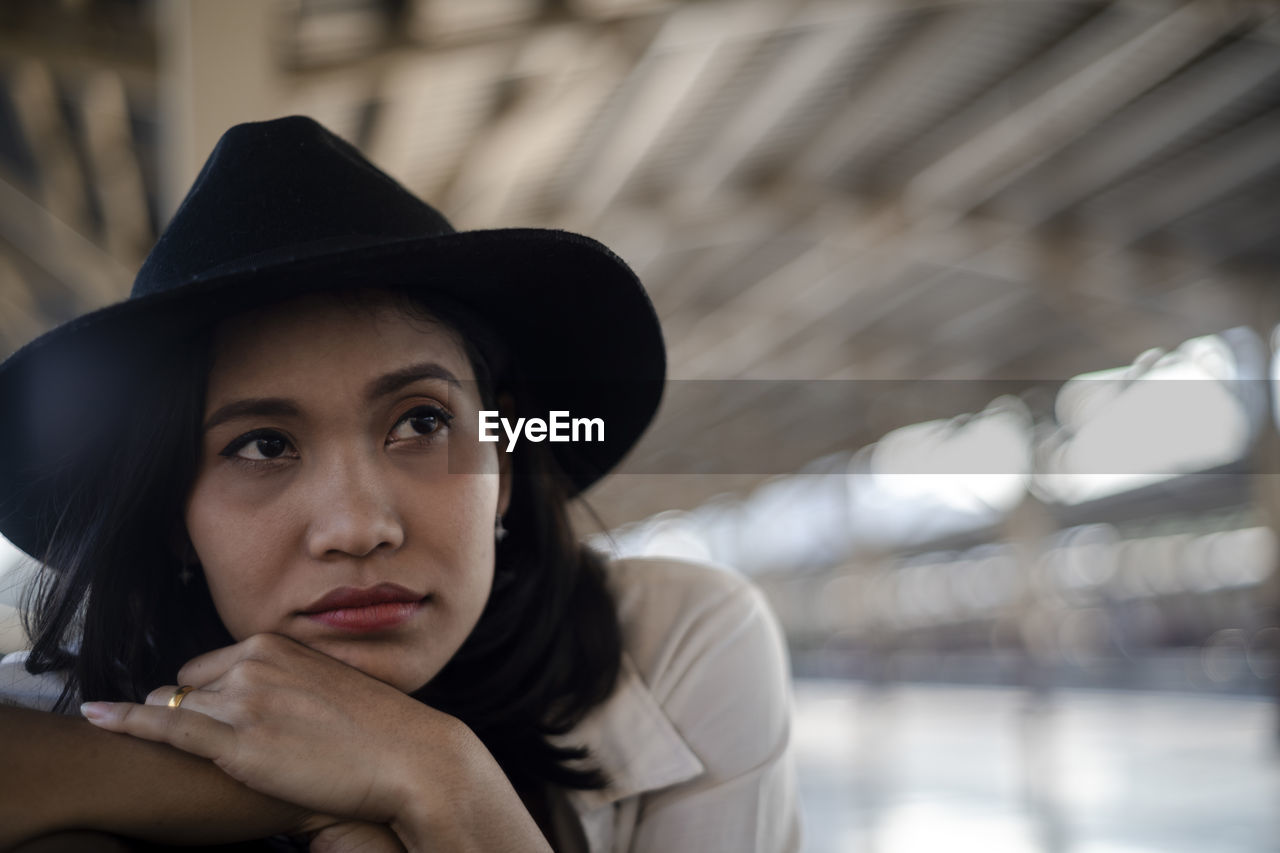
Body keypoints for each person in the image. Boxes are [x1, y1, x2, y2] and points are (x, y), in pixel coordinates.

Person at [0, 116, 800, 852]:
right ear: (175, 516)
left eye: (421, 423)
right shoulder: (69, 704)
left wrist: (445, 775)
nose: (356, 526)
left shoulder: (676, 646)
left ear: (506, 463)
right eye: (264, 443)